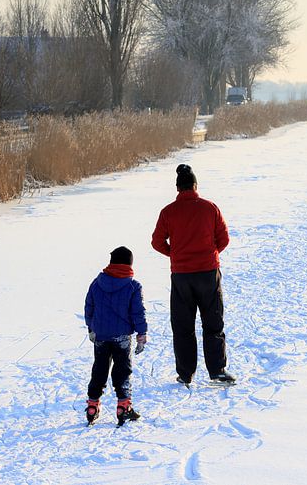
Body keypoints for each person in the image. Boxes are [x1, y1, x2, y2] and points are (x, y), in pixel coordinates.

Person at [151, 164, 234, 386]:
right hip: (208, 273)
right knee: (213, 322)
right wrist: (209, 254)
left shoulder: (168, 212)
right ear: (195, 185)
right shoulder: (210, 208)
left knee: (183, 325)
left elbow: (157, 242)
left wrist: (175, 255)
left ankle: (186, 373)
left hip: (181, 276)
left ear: (178, 188)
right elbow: (224, 238)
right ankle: (217, 370)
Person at [83, 246, 148, 425]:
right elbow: (138, 313)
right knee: (122, 371)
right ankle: (123, 406)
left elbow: (89, 306)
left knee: (99, 369)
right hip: (121, 337)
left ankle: (92, 406)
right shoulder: (133, 286)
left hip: (101, 336)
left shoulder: (97, 283)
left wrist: (91, 327)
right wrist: (141, 333)